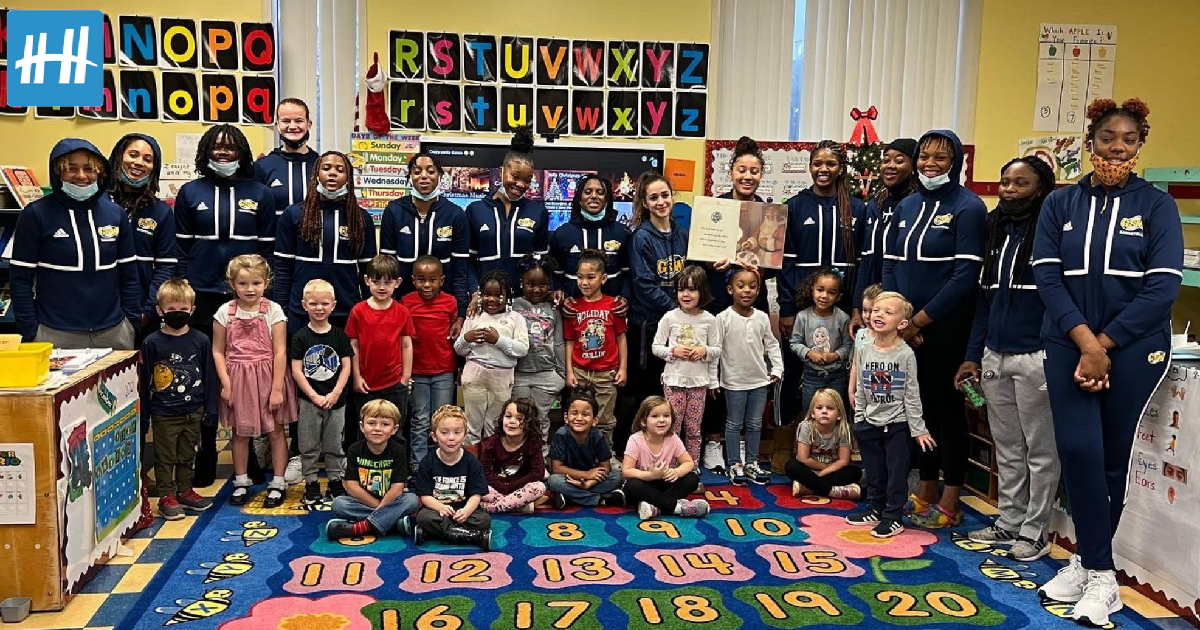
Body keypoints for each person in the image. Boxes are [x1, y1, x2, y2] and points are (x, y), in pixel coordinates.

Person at [1033, 98, 1181, 626]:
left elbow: (1163, 287)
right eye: (1107, 138)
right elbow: (1047, 277)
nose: (1117, 147)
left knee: (1112, 458)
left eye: (1128, 140)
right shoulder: (1060, 203)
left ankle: (1085, 562)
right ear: (1089, 140)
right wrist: (1086, 344)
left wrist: (1107, 344)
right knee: (1078, 449)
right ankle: (1101, 572)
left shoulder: (1157, 206)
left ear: (1140, 144)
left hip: (1136, 348)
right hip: (1067, 342)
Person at [956, 157, 1058, 562]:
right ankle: (1009, 520)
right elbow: (984, 301)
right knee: (1007, 445)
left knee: (1040, 448)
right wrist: (972, 355)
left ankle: (1035, 530)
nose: (1011, 189)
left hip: (1036, 355)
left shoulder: (1049, 234)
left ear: (1040, 186)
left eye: (1021, 182)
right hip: (994, 355)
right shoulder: (996, 232)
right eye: (1005, 182)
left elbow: (1058, 300)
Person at [883, 130, 987, 529]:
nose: (930, 164)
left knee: (947, 413)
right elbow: (890, 265)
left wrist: (919, 321)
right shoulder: (907, 205)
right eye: (925, 156)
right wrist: (898, 318)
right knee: (917, 411)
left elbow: (964, 279)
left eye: (940, 158)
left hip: (945, 327)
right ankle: (925, 488)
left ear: (955, 162)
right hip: (907, 327)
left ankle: (951, 497)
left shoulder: (969, 207)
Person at [176, 125, 277, 488]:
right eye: (216, 147)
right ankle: (206, 451)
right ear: (206, 151)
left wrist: (261, 295)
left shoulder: (261, 194)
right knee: (209, 377)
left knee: (247, 375)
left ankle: (248, 455)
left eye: (230, 146)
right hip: (203, 297)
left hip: (248, 297)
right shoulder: (190, 192)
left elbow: (267, 252)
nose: (223, 152)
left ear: (242, 152)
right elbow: (181, 250)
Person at [6, 138, 140, 347]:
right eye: (71, 168)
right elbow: (20, 279)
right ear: (58, 172)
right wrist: (31, 329)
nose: (81, 176)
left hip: (114, 332)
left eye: (89, 168)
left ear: (100, 173)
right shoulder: (35, 214)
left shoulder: (116, 214)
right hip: (53, 333)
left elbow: (129, 275)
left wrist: (131, 323)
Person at [778, 141, 867, 425]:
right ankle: (788, 436)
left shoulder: (857, 208)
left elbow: (864, 263)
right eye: (818, 163)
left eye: (830, 164)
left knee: (844, 369)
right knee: (793, 370)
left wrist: (856, 308)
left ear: (841, 168)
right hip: (802, 305)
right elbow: (785, 263)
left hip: (843, 306)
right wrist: (788, 308)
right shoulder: (794, 206)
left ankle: (842, 438)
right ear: (810, 167)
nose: (823, 169)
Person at [701, 136, 770, 472]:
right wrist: (709, 262)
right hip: (718, 302)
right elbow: (696, 261)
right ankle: (714, 440)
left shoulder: (768, 214)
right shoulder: (715, 209)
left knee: (749, 368)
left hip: (753, 302)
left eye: (754, 171)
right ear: (730, 172)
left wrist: (762, 268)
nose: (747, 176)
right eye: (741, 169)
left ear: (760, 175)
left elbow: (773, 261)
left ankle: (742, 438)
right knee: (717, 371)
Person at [213, 254, 298, 508]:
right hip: (238, 379)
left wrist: (277, 389)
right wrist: (226, 384)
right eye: (243, 284)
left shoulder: (273, 310)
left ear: (266, 283)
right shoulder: (224, 312)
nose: (250, 289)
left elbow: (280, 351)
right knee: (240, 432)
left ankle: (278, 482)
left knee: (275, 431)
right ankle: (241, 481)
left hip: (268, 377)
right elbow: (218, 350)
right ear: (232, 284)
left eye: (256, 283)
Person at [849, 292, 936, 538]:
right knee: (874, 470)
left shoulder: (905, 354)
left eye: (888, 312)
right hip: (868, 422)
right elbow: (862, 387)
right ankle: (875, 508)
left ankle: (893, 516)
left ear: (902, 323)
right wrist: (859, 420)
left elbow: (911, 393)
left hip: (897, 424)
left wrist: (918, 428)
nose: (879, 315)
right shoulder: (864, 348)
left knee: (895, 473)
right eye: (876, 310)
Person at [274, 150, 376, 335]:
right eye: (326, 168)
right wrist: (281, 310)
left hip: (346, 310)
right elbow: (282, 268)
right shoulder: (294, 215)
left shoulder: (361, 219)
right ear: (316, 175)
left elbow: (368, 272)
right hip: (301, 311)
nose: (332, 173)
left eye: (340, 169)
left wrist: (369, 311)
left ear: (348, 178)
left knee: (344, 364)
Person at [141, 279, 216, 520]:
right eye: (171, 311)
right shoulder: (152, 342)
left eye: (183, 310)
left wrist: (210, 408)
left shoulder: (201, 340)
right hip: (163, 412)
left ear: (192, 310)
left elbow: (209, 375)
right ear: (160, 311)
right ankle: (166, 495)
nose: (177, 315)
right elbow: (144, 380)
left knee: (187, 453)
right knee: (165, 456)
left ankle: (185, 490)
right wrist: (144, 413)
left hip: (193, 409)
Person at [627, 172, 689, 453]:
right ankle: (642, 448)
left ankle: (671, 446)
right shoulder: (640, 237)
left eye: (665, 195)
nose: (661, 201)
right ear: (645, 202)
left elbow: (692, 275)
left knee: (675, 389)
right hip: (650, 326)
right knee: (649, 390)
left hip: (681, 327)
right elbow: (643, 284)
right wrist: (677, 310)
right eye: (654, 197)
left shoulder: (682, 233)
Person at [381, 151, 470, 327]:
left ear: (440, 176)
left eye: (430, 171)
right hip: (402, 306)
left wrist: (460, 314)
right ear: (410, 176)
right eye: (417, 171)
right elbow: (387, 268)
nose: (424, 176)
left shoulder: (455, 214)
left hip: (442, 308)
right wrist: (388, 307)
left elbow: (460, 271)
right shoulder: (394, 210)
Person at [464, 126, 550, 298]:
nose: (520, 185)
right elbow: (467, 262)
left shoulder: (538, 211)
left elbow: (542, 263)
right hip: (487, 299)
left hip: (524, 301)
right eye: (515, 176)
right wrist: (474, 291)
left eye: (527, 180)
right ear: (502, 171)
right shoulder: (476, 210)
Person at [290, 280, 354, 506]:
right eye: (314, 303)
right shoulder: (300, 336)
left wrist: (335, 393)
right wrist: (314, 395)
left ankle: (336, 480)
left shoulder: (339, 335)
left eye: (324, 303)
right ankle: (311, 482)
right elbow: (296, 369)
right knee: (308, 444)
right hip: (309, 401)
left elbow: (346, 366)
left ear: (333, 305)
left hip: (336, 401)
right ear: (304, 305)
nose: (319, 308)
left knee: (334, 443)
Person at [107, 133, 178, 335]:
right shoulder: (98, 204)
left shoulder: (161, 211)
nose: (139, 163)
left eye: (148, 159)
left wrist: (148, 312)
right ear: (119, 157)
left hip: (141, 314)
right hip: (98, 311)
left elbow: (166, 266)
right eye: (133, 155)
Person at [717, 268, 783, 485]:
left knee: (755, 424)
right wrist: (712, 379)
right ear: (730, 289)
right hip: (733, 381)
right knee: (734, 424)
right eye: (741, 285)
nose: (747, 290)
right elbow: (714, 350)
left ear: (758, 290)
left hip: (759, 381)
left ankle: (752, 462)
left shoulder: (762, 317)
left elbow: (772, 344)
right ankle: (734, 464)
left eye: (752, 286)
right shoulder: (723, 318)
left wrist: (777, 369)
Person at [652, 264, 721, 465]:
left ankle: (691, 466)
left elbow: (717, 349)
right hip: (673, 381)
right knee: (672, 427)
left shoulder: (710, 320)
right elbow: (656, 347)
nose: (686, 294)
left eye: (692, 289)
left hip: (699, 383)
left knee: (693, 429)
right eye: (682, 289)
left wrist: (704, 351)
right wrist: (672, 351)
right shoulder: (670, 317)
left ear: (703, 291)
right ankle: (671, 465)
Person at [346, 255, 415, 449]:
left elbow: (406, 345)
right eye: (376, 281)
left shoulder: (402, 311)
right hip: (366, 383)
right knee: (365, 430)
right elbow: (354, 345)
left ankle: (396, 472)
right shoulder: (358, 311)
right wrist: (356, 377)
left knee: (395, 430)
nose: (382, 287)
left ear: (397, 283)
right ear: (367, 280)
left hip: (394, 383)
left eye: (388, 282)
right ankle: (363, 469)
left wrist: (405, 378)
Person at [325, 399, 419, 540]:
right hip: (364, 503)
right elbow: (351, 486)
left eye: (385, 424)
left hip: (391, 501)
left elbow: (397, 488)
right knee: (339, 504)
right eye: (371, 423)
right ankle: (391, 523)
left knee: (412, 500)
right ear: (362, 427)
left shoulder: (398, 451)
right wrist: (380, 509)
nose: (377, 428)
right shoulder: (354, 449)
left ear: (394, 429)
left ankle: (360, 527)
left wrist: (382, 506)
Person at [456, 270, 530, 444]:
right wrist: (467, 338)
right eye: (487, 294)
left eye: (498, 295)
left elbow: (522, 349)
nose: (492, 299)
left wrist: (498, 340)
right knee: (472, 426)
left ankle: (489, 467)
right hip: (475, 373)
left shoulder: (515, 318)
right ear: (480, 294)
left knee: (494, 425)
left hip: (502, 376)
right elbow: (459, 349)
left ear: (508, 296)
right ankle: (472, 466)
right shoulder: (474, 316)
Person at [563, 249, 628, 448]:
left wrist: (623, 368)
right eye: (580, 277)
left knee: (605, 419)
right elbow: (570, 341)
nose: (584, 282)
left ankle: (604, 455)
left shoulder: (614, 305)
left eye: (591, 277)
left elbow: (621, 338)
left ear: (604, 278)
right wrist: (569, 371)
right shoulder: (573, 307)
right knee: (579, 418)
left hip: (606, 373)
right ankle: (578, 455)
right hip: (580, 372)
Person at [851, 139, 917, 334]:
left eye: (899, 160)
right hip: (873, 305)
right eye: (886, 160)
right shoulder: (874, 205)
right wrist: (857, 307)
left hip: (905, 305)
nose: (890, 166)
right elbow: (866, 259)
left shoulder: (919, 205)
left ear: (914, 165)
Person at [401, 256, 460, 467]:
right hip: (417, 371)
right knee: (420, 420)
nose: (427, 284)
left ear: (442, 280)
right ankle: (418, 465)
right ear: (413, 280)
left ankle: (442, 463)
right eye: (421, 279)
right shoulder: (406, 302)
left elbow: (456, 332)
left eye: (432, 279)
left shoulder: (450, 302)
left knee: (442, 420)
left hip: (443, 370)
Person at [413, 405, 492, 550]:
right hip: (438, 511)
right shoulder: (427, 462)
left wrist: (467, 511)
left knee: (484, 520)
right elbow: (425, 497)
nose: (451, 438)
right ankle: (469, 536)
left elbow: (476, 495)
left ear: (465, 435)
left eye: (457, 432)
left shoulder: (471, 462)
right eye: (444, 432)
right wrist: (440, 507)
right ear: (434, 436)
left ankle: (436, 533)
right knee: (423, 517)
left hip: (464, 510)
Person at [623, 396, 710, 520]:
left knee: (692, 478)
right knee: (631, 486)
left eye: (666, 416)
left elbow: (688, 462)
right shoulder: (635, 440)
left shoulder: (673, 438)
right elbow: (626, 472)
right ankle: (676, 507)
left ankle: (655, 506)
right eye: (655, 416)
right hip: (644, 483)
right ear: (643, 421)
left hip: (665, 482)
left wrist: (676, 472)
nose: (662, 420)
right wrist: (651, 475)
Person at [511, 253, 566, 447]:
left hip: (546, 373)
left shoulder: (554, 308)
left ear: (549, 284)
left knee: (541, 418)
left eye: (542, 285)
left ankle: (539, 461)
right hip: (519, 374)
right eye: (530, 284)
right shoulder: (513, 306)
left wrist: (562, 374)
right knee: (519, 419)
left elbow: (559, 342)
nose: (536, 289)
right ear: (521, 283)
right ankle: (517, 460)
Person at [550, 174, 631, 299]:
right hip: (573, 312)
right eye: (588, 192)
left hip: (613, 311)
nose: (594, 196)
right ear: (579, 199)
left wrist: (625, 298)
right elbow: (554, 275)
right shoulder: (562, 234)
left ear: (607, 199)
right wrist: (563, 296)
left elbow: (629, 274)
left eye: (600, 192)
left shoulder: (622, 233)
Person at [546, 384, 625, 507]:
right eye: (574, 413)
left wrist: (589, 482)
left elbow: (606, 467)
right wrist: (586, 475)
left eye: (585, 414)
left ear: (595, 420)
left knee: (616, 476)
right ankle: (599, 500)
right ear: (566, 418)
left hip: (591, 479)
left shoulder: (597, 435)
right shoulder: (561, 434)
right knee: (553, 481)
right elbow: (557, 468)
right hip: (568, 477)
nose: (579, 418)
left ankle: (570, 497)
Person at [791, 267, 852, 414]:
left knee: (836, 412)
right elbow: (795, 342)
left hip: (837, 376)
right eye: (820, 290)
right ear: (812, 290)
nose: (824, 296)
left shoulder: (842, 318)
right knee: (811, 412)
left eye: (831, 293)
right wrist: (809, 353)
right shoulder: (803, 317)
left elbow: (848, 344)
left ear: (838, 296)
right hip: (812, 375)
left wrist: (836, 355)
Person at [785, 387, 860, 499]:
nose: (824, 411)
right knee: (791, 466)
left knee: (855, 472)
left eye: (830, 408)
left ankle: (808, 487)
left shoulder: (843, 429)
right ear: (813, 413)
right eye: (819, 408)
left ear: (839, 414)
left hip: (831, 471)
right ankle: (831, 491)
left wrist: (822, 473)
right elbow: (803, 458)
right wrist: (823, 467)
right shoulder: (806, 426)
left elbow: (843, 461)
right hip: (810, 469)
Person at [479, 398, 547, 513]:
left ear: (529, 423)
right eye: (508, 416)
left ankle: (492, 507)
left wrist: (512, 487)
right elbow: (484, 470)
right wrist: (502, 487)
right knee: (474, 485)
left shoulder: (532, 444)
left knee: (539, 487)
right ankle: (516, 505)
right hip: (496, 487)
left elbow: (537, 473)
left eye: (519, 418)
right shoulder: (492, 442)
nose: (512, 421)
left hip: (521, 487)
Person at [254, 98, 320, 214]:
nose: (293, 126)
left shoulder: (322, 166)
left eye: (299, 121)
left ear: (309, 124)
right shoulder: (262, 167)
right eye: (286, 121)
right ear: (277, 125)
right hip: (275, 232)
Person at [847, 283, 884, 403]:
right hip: (862, 394)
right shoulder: (861, 335)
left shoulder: (892, 337)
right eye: (864, 310)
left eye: (872, 311)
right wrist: (851, 390)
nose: (867, 316)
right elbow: (856, 364)